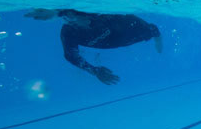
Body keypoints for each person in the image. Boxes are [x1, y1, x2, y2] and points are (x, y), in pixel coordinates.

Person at [25, 9, 162, 84]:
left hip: (124, 33)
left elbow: (149, 27)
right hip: (114, 40)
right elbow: (71, 56)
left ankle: (158, 41)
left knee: (152, 30)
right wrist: (94, 71)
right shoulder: (69, 32)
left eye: (73, 18)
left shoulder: (102, 15)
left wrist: (158, 42)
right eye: (67, 19)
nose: (70, 22)